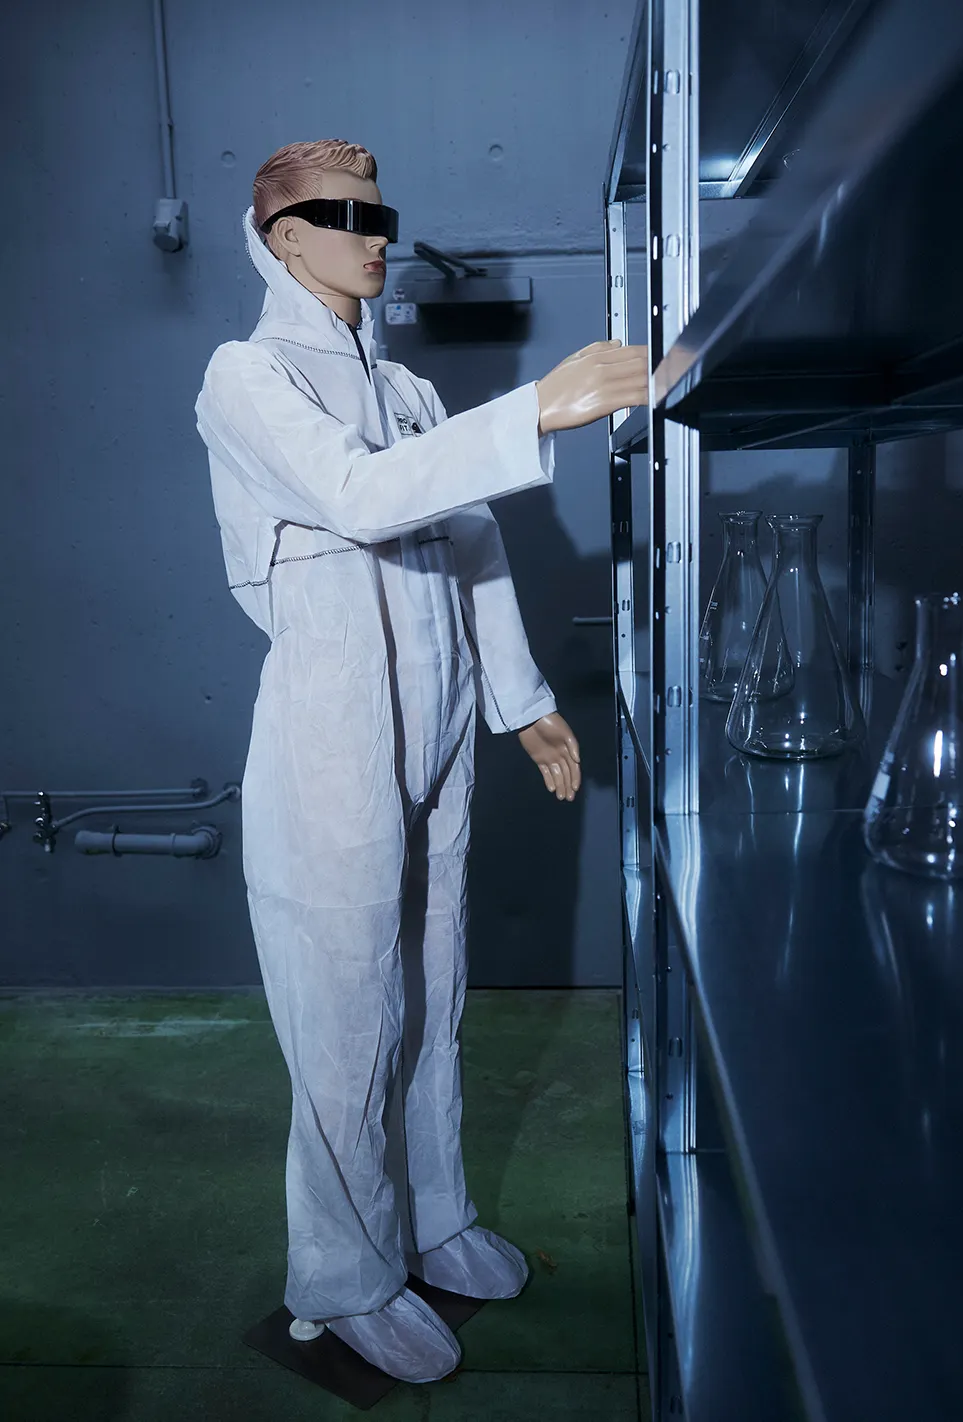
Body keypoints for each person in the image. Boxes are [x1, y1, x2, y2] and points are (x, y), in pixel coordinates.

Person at [194, 138, 647, 1384]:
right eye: (345, 216)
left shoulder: (408, 392)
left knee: (432, 986)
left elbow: (472, 541)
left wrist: (522, 701)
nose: (376, 236)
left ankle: (433, 1217)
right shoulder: (246, 375)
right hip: (334, 725)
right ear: (284, 238)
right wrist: (538, 406)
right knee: (345, 1006)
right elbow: (354, 495)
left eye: (381, 213)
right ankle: (343, 1276)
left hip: (439, 714)